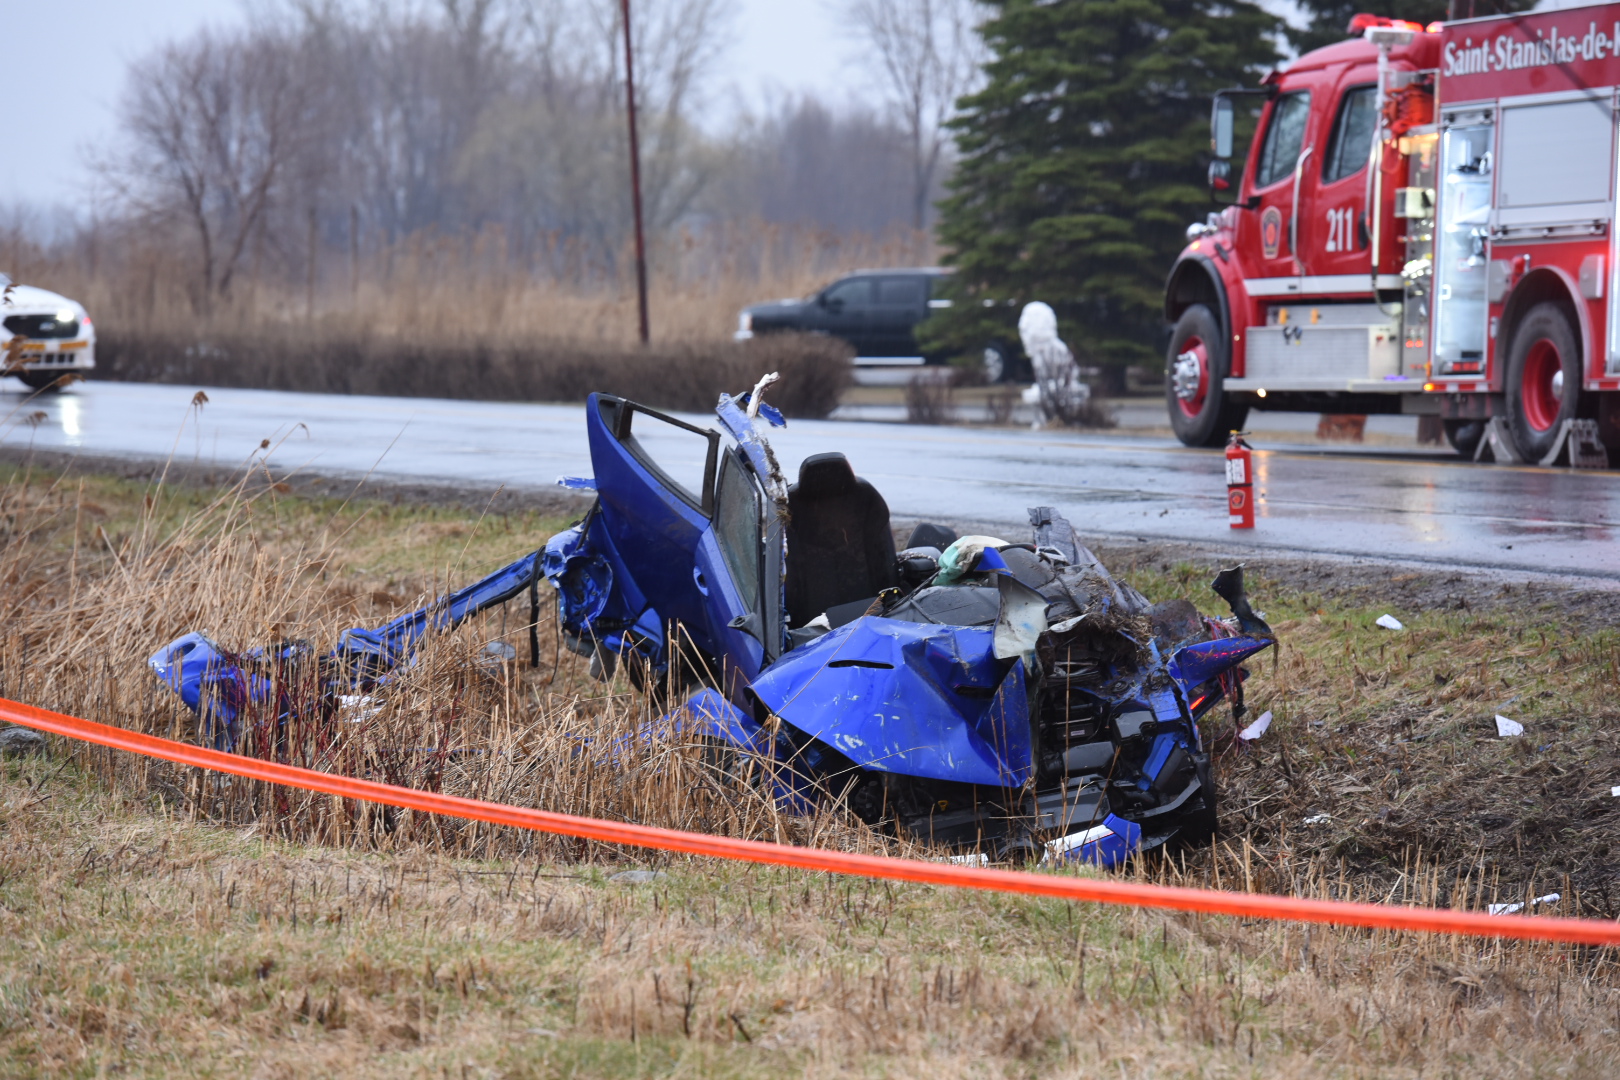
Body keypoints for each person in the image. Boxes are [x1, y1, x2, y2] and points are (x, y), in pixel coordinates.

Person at [1017, 301, 1090, 427]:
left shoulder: (1055, 350)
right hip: (1054, 387)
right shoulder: (1039, 352)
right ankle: (1044, 420)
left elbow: (1066, 376)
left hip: (1064, 387)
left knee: (1038, 393)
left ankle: (1055, 419)